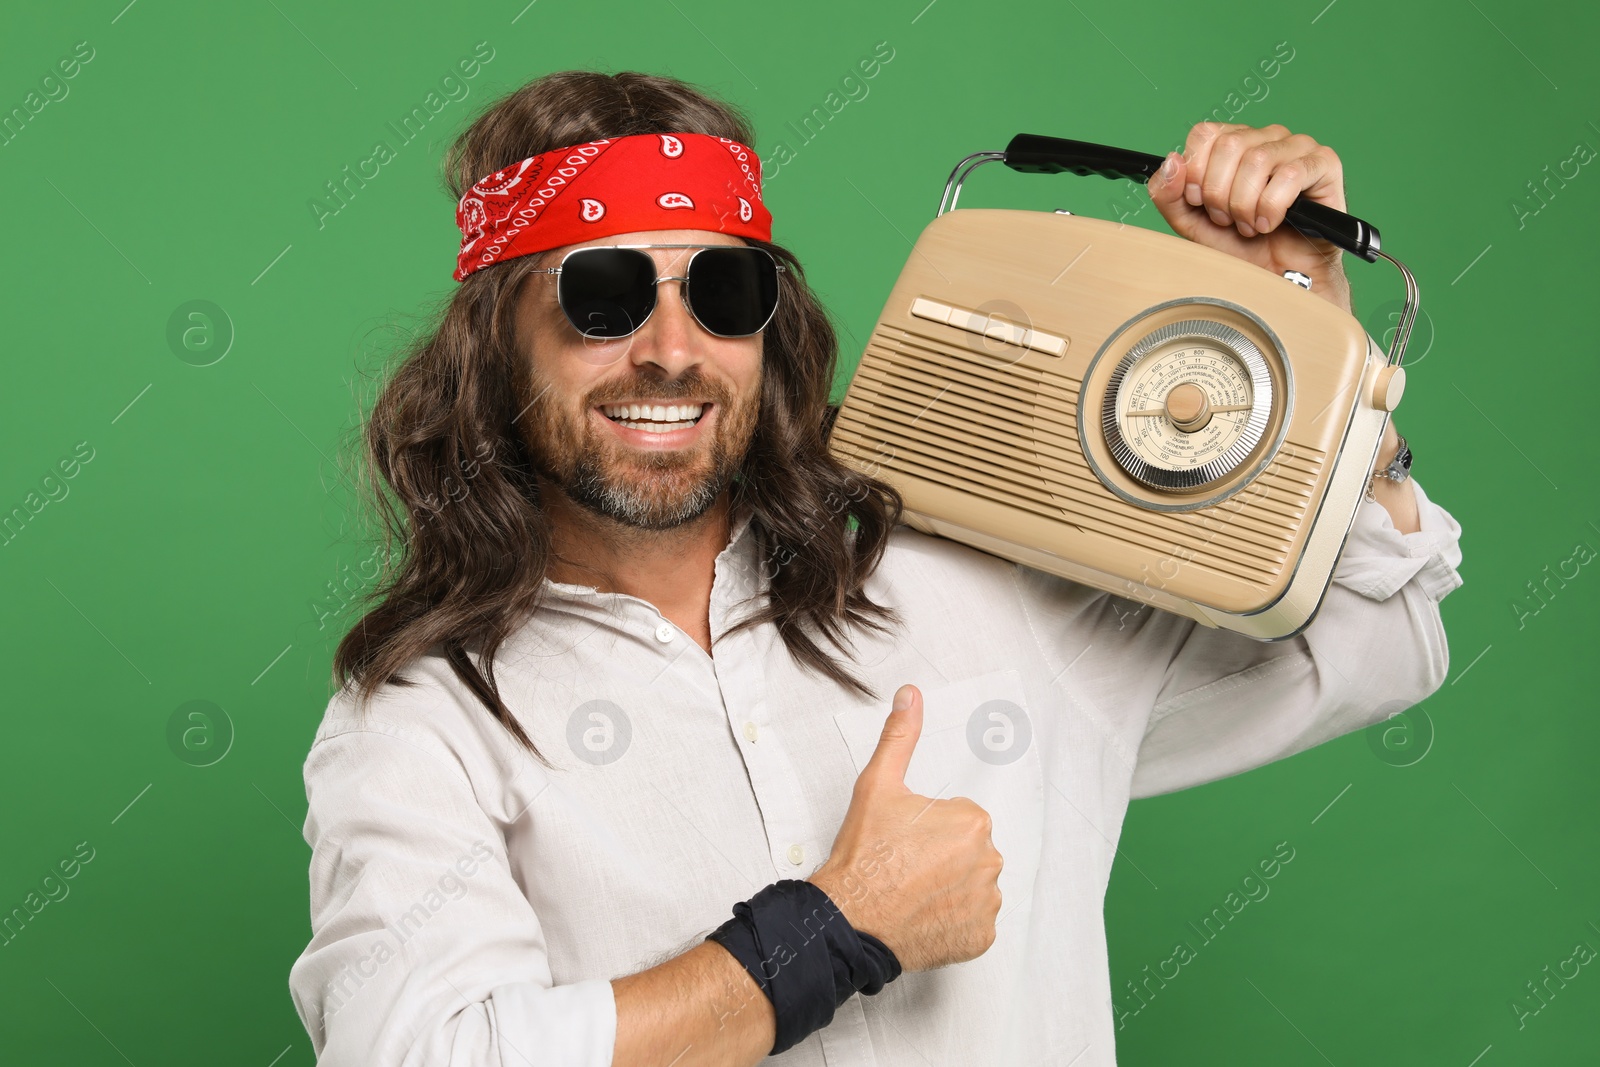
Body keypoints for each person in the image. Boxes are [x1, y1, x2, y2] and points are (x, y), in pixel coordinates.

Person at [287, 70, 1463, 1066]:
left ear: (768, 325)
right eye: (600, 298)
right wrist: (827, 933)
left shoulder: (986, 580)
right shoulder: (421, 718)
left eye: (720, 291)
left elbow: (1372, 641)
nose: (671, 351)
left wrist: (1305, 317)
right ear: (495, 345)